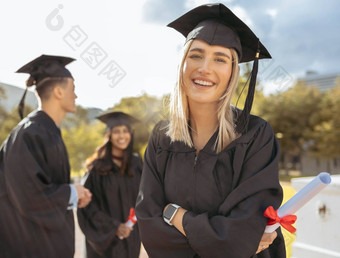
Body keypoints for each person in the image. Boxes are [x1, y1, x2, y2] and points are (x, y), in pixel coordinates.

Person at [135, 3, 286, 258]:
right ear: (182, 63)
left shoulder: (255, 135)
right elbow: (151, 230)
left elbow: (239, 236)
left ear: (232, 72)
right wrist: (222, 239)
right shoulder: (161, 138)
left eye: (220, 58)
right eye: (196, 55)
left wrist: (175, 215)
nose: (205, 67)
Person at [0, 54, 92, 258]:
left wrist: (72, 196)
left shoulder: (46, 132)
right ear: (59, 92)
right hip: (31, 249)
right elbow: (28, 197)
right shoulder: (30, 134)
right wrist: (71, 193)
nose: (76, 96)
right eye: (73, 89)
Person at [77, 111, 143, 258]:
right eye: (117, 131)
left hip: (131, 238)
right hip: (104, 241)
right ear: (109, 135)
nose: (122, 136)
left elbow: (145, 197)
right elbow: (86, 205)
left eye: (125, 131)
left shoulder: (137, 164)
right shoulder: (97, 168)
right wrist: (114, 227)